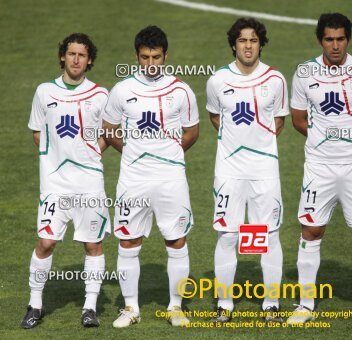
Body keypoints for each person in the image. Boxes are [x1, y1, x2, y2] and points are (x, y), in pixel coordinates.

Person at [287, 13, 352, 324]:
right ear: (320, 40)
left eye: (341, 39)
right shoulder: (305, 72)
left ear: (349, 39)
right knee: (311, 230)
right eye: (329, 39)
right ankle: (305, 305)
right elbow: (298, 119)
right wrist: (325, 140)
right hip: (318, 167)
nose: (335, 45)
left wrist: (350, 142)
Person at [102, 25, 199, 328]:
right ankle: (131, 308)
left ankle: (175, 306)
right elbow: (108, 129)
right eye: (145, 57)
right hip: (133, 179)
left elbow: (192, 131)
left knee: (177, 240)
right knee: (128, 242)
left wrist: (168, 154)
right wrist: (131, 150)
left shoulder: (181, 90)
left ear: (165, 56)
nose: (151, 63)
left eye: (156, 57)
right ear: (137, 56)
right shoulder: (122, 90)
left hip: (171, 178)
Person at [22, 33, 110, 328]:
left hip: (89, 184)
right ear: (63, 56)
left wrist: (88, 157)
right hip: (55, 185)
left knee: (93, 244)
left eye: (82, 55)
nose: (75, 60)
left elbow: (107, 135)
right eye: (71, 54)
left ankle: (90, 307)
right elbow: (37, 133)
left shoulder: (100, 95)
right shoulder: (44, 92)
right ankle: (35, 304)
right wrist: (55, 161)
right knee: (46, 242)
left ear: (90, 60)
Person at [206, 17, 288, 323]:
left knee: (265, 234)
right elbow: (216, 118)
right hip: (228, 172)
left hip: (264, 171)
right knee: (228, 235)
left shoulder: (276, 80)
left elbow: (279, 122)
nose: (248, 46)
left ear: (261, 44)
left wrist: (256, 146)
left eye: (253, 40)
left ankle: (271, 304)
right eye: (242, 40)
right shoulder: (217, 81)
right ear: (233, 45)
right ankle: (224, 303)